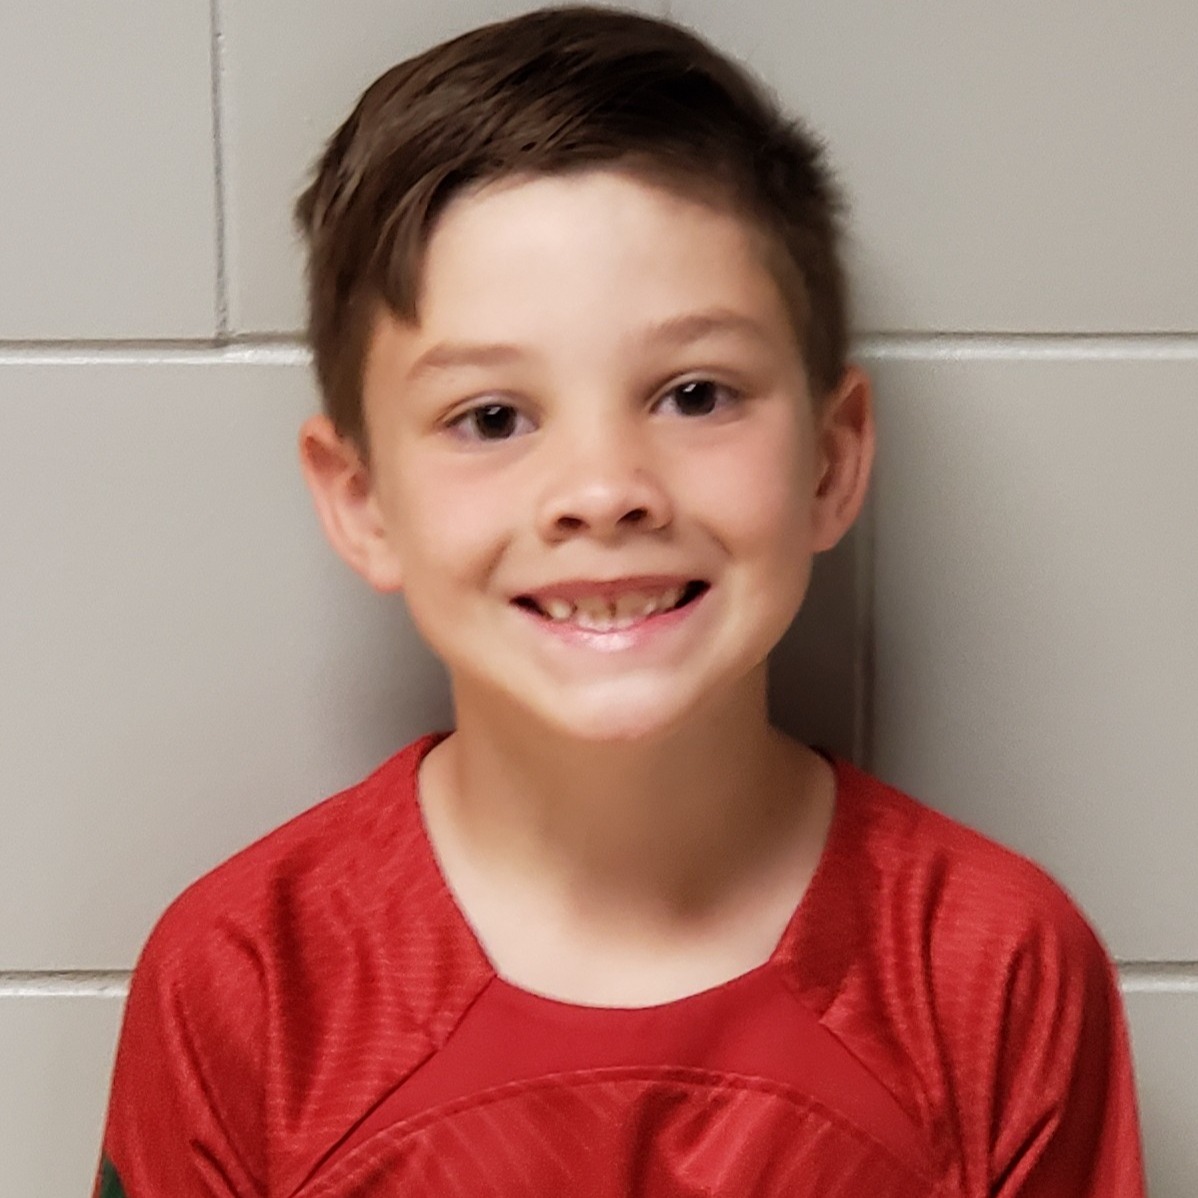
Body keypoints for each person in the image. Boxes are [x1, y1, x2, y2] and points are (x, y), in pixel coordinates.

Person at [94, 6, 1146, 1195]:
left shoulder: (992, 968)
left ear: (831, 459)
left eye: (694, 394)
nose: (602, 490)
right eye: (491, 417)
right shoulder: (243, 982)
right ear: (362, 500)